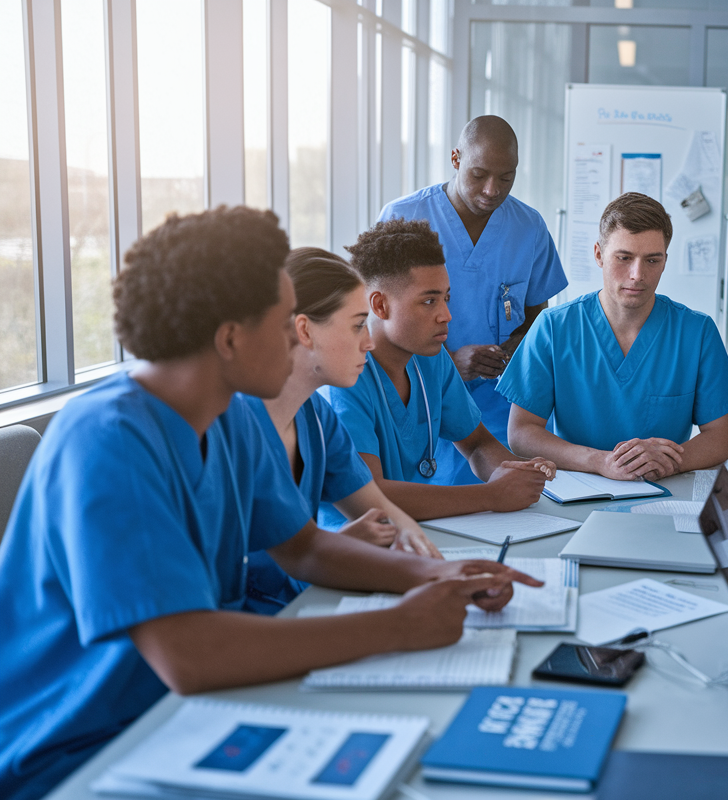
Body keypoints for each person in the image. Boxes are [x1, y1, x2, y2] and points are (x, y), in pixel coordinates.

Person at [0, 207, 539, 800]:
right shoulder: (110, 439)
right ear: (231, 338)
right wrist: (398, 624)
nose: (298, 334)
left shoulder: (229, 418)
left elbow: (303, 548)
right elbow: (188, 654)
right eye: (285, 321)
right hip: (77, 751)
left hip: (188, 713)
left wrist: (437, 573)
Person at [243, 247, 448, 615]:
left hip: (301, 606)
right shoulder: (234, 428)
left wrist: (441, 572)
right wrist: (331, 545)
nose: (369, 342)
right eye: (357, 325)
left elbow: (383, 511)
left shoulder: (315, 417)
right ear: (304, 330)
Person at [321, 217, 555, 528]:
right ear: (380, 305)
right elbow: (369, 495)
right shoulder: (344, 379)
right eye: (429, 301)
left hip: (413, 532)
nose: (446, 316)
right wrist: (491, 496)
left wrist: (515, 472)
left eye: (446, 298)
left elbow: (478, 444)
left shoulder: (430, 360)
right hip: (350, 544)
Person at [378, 115, 568, 485]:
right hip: (418, 396)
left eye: (506, 178)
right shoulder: (402, 218)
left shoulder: (528, 227)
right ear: (455, 159)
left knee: (505, 504)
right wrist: (449, 364)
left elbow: (535, 317)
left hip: (498, 408)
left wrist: (515, 350)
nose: (492, 190)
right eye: (478, 174)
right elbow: (375, 325)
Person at [499, 192, 728, 481]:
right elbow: (522, 433)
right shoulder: (553, 327)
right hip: (580, 485)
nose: (637, 274)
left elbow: (721, 437)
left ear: (665, 261)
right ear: (599, 254)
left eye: (652, 260)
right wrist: (599, 461)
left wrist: (669, 461)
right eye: (624, 258)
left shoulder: (696, 332)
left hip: (665, 489)